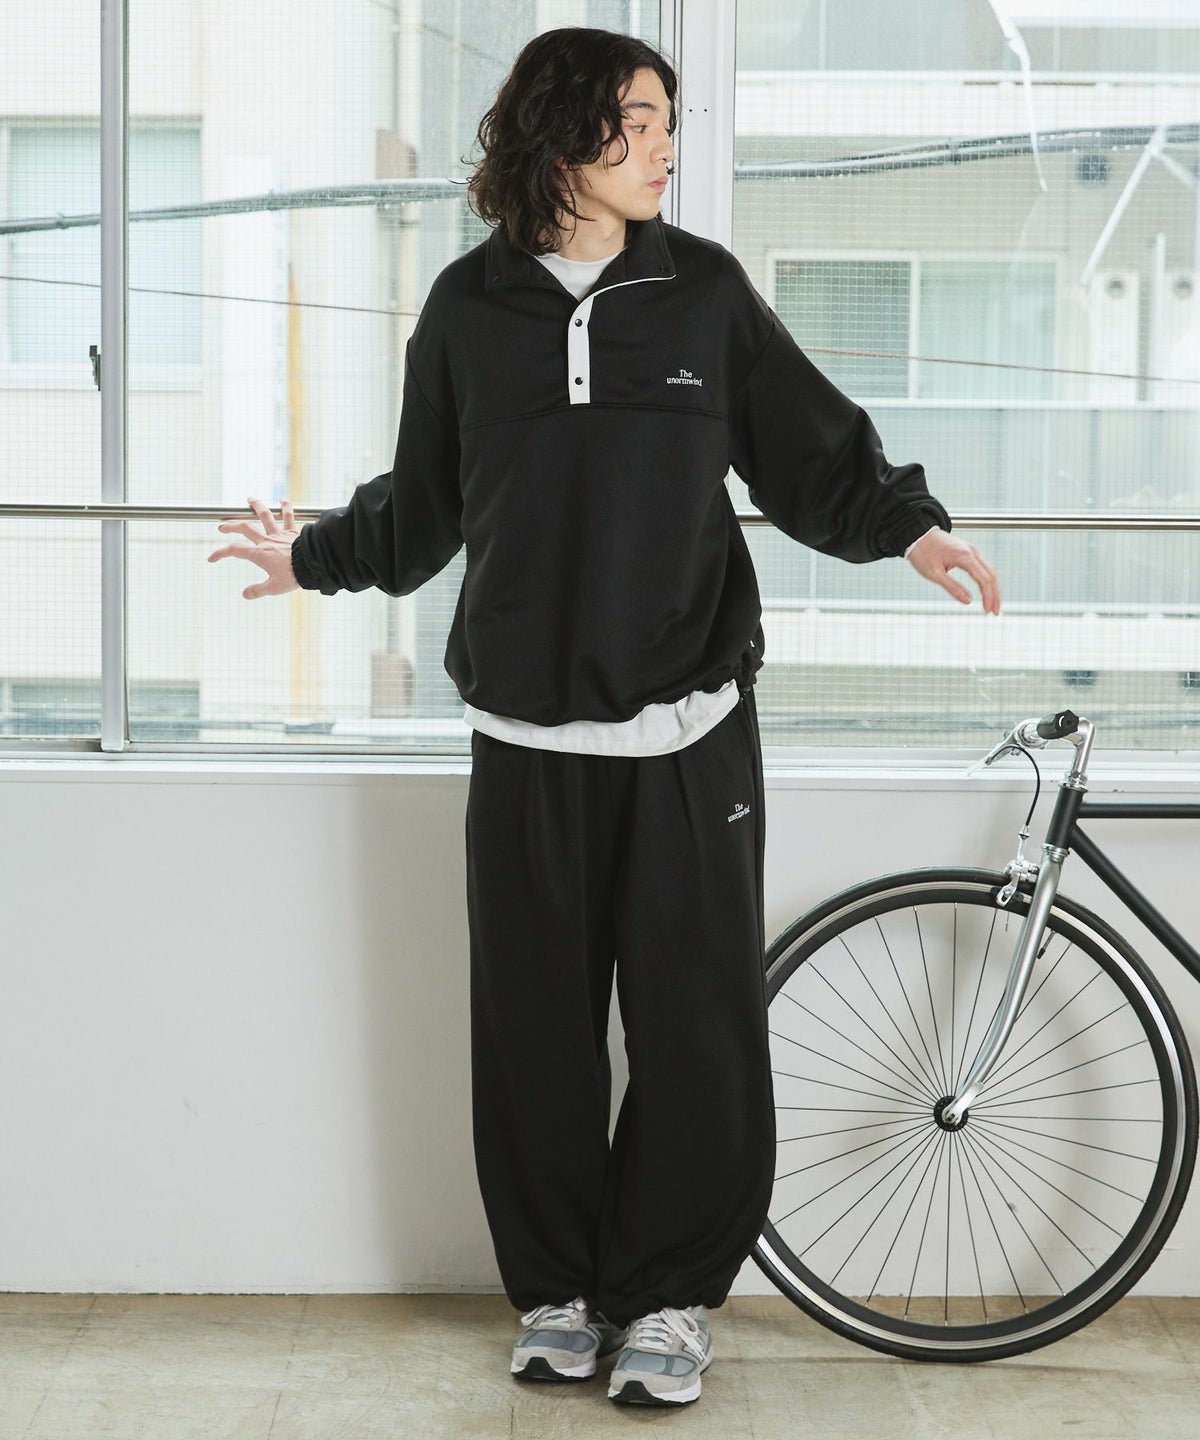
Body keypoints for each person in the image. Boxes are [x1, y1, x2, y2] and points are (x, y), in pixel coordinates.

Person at [208, 26, 1001, 1410]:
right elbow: (424, 506)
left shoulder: (703, 294)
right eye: (638, 121)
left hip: (691, 730)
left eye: (669, 121)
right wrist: (311, 559)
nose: (665, 147)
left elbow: (811, 448)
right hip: (526, 739)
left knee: (698, 1034)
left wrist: (912, 531)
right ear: (561, 133)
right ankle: (561, 1292)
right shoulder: (466, 309)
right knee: (535, 1038)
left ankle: (670, 1297)